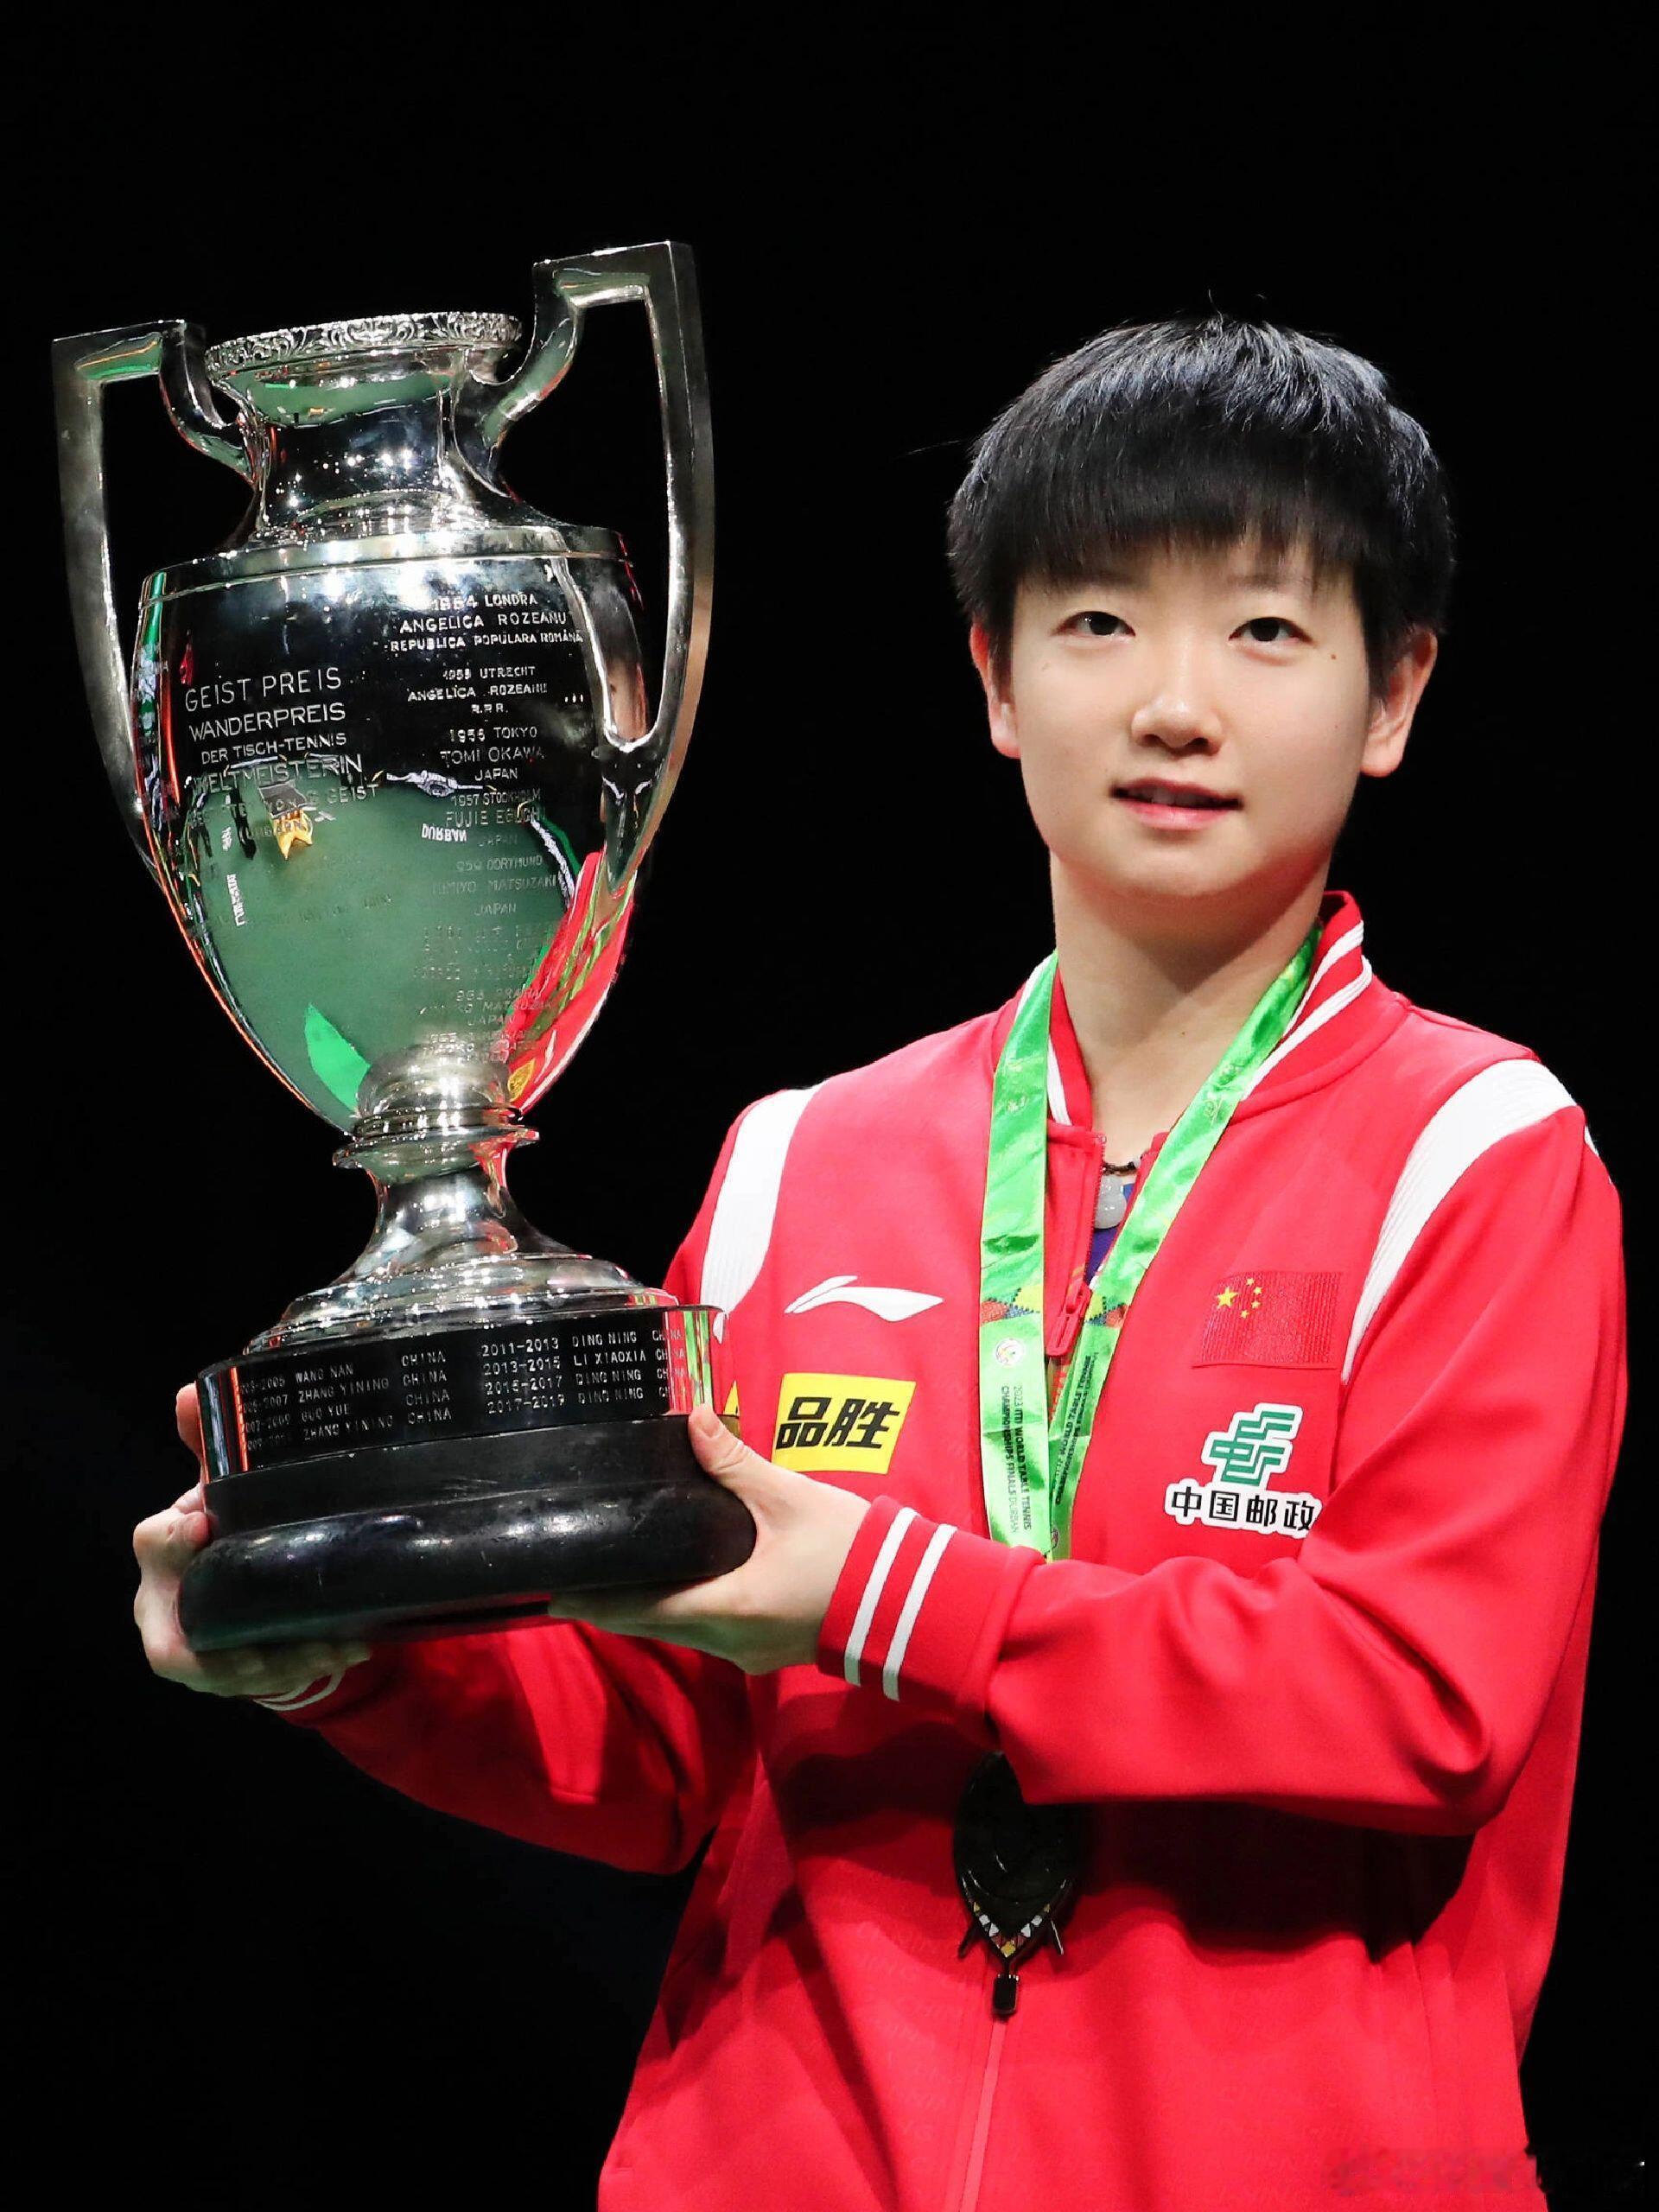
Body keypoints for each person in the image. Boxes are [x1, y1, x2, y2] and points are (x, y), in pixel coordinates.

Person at [134, 314, 1628, 2212]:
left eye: (1266, 630)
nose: (1177, 705)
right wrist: (353, 1668)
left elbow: (1421, 1695)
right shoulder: (800, 1160)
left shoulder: (1479, 1152)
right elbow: (667, 1745)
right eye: (1100, 623)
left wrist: (880, 1590)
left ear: (1394, 692)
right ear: (996, 676)